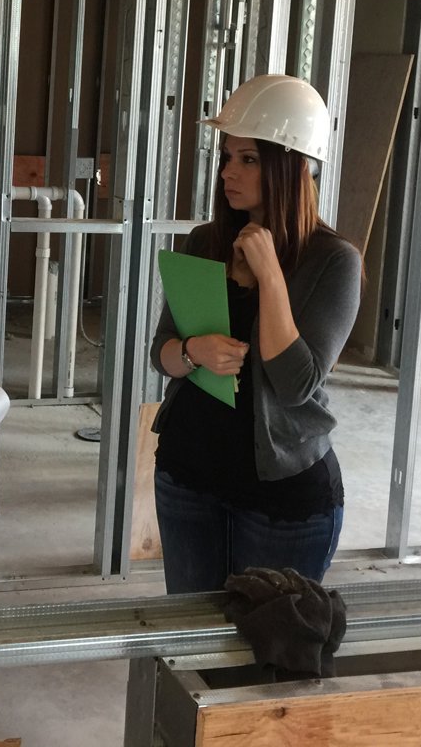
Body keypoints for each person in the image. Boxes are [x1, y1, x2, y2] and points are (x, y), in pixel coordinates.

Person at [150, 73, 361, 592]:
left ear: (292, 166)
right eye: (227, 156)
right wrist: (194, 351)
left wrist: (269, 274)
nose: (228, 171)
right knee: (192, 634)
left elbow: (295, 383)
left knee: (268, 635)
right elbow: (162, 353)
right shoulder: (205, 242)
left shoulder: (334, 262)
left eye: (248, 159)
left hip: (283, 501)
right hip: (187, 478)